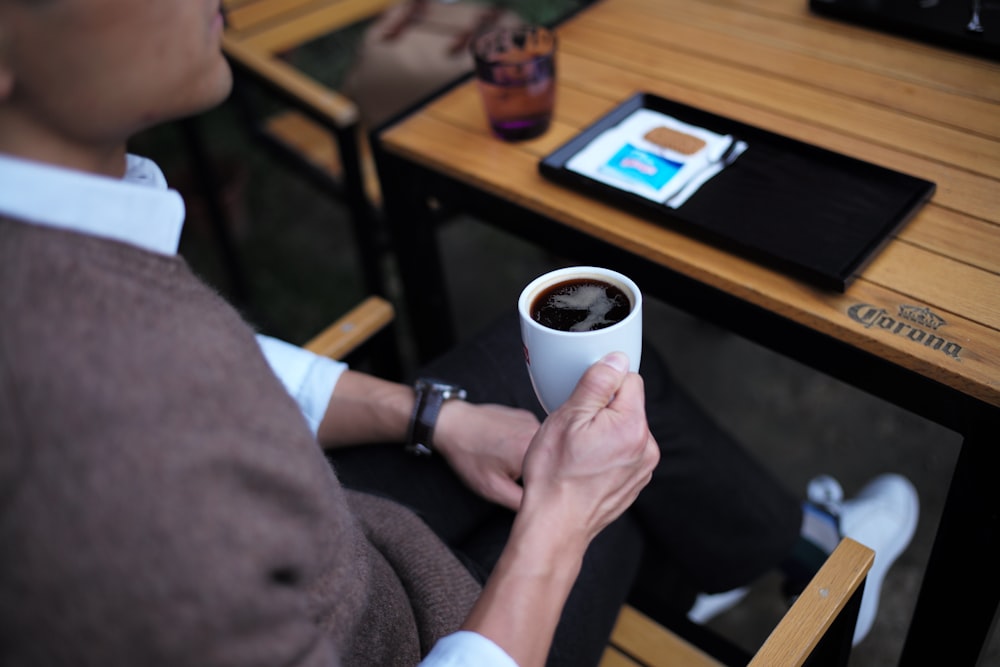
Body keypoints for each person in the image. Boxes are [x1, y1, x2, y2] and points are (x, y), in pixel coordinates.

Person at [0, 0, 919, 665]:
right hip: (396, 632)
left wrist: (430, 416)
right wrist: (560, 529)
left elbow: (218, 371)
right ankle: (802, 554)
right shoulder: (89, 460)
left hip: (343, 533)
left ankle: (771, 543)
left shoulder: (67, 247)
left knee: (572, 403)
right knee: (616, 481)